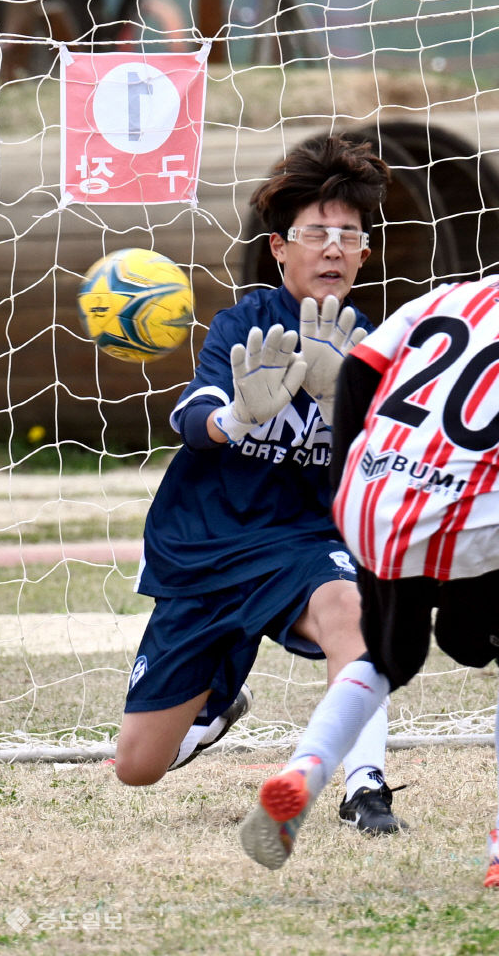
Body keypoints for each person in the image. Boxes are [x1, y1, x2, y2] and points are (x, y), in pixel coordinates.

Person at [240, 162, 499, 882]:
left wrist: (344, 482)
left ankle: (303, 774)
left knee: (388, 659)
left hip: (371, 506)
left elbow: (357, 370)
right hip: (467, 525)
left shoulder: (453, 294)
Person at [114, 134, 408, 835]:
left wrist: (353, 403)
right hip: (207, 546)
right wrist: (241, 415)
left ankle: (364, 786)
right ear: (280, 248)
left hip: (301, 543)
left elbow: (391, 459)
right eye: (316, 233)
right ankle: (216, 704)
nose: (333, 248)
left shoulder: (374, 343)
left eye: (349, 236)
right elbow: (190, 417)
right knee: (136, 765)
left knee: (351, 608)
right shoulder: (243, 324)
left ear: (365, 254)